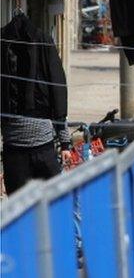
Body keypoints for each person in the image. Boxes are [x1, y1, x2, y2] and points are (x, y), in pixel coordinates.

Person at [1, 12, 71, 194]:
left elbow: (58, 91)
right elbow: (58, 93)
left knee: (19, 210)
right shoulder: (43, 41)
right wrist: (65, 144)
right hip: (41, 148)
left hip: (16, 149)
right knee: (54, 203)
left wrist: (65, 144)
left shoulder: (38, 42)